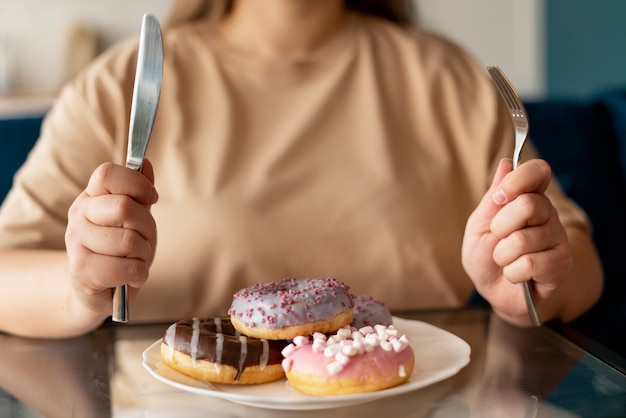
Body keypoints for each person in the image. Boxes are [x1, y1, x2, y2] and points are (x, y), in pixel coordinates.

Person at [0, 0, 603, 338]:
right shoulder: (124, 83)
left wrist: (528, 283)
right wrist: (83, 287)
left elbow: (577, 259)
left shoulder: (449, 80)